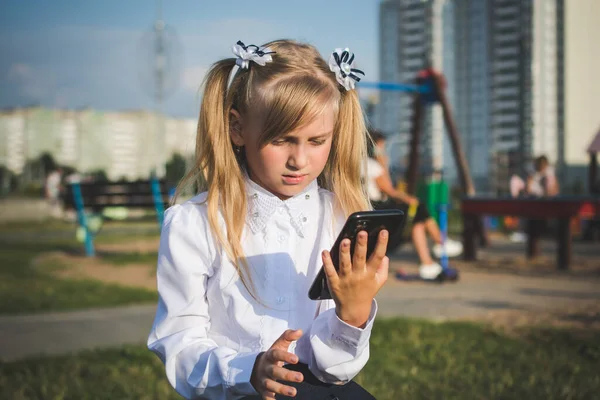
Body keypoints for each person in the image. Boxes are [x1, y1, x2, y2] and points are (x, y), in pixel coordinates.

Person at [147, 40, 386, 400]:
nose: (299, 160)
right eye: (281, 140)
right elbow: (180, 344)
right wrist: (249, 370)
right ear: (237, 129)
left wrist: (351, 317)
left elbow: (335, 372)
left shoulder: (342, 218)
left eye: (317, 140)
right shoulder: (194, 224)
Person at [365, 130, 462, 279]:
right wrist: (384, 164)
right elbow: (389, 189)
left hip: (370, 208)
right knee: (419, 206)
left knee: (418, 222)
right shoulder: (372, 165)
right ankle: (440, 243)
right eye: (381, 146)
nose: (383, 149)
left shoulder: (358, 164)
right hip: (379, 209)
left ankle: (428, 263)